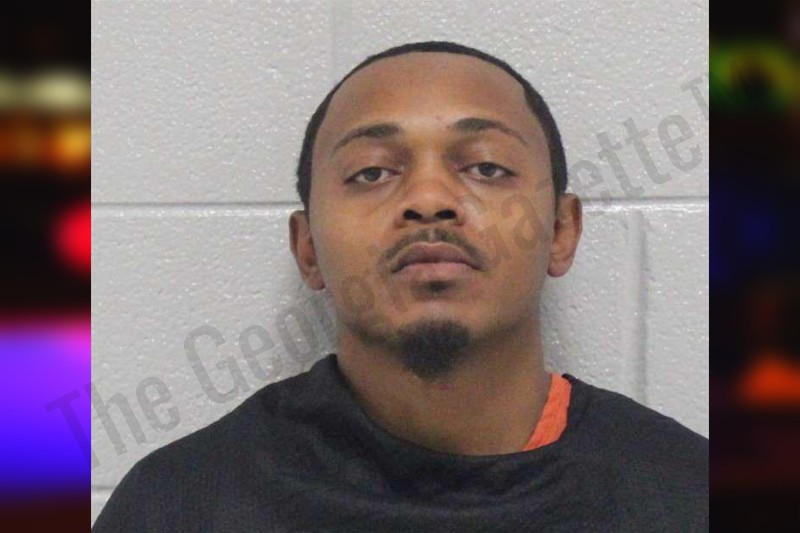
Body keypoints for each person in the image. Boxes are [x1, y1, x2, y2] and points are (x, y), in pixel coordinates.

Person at [93, 41, 708, 532]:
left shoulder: (687, 496)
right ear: (308, 249)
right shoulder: (180, 506)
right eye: (371, 172)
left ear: (561, 232)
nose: (429, 199)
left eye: (486, 167)